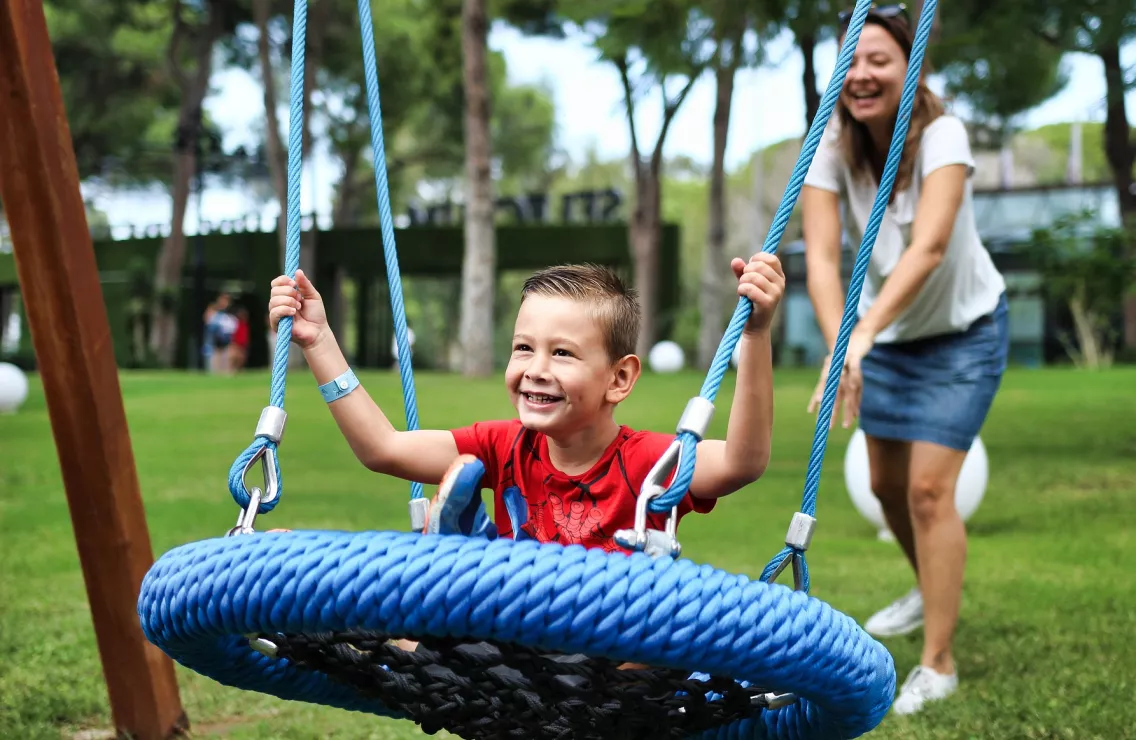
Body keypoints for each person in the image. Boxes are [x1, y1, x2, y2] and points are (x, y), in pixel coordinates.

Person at [266, 257, 785, 553]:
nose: (535, 368)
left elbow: (742, 462)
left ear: (619, 378)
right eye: (522, 348)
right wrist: (319, 342)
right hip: (517, 657)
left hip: (611, 665)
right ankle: (314, 584)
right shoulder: (500, 447)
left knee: (654, 625)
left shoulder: (650, 464)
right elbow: (382, 448)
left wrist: (756, 335)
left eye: (562, 353)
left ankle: (462, 551)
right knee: (413, 623)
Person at [800, 4, 1009, 716]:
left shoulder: (943, 134)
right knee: (888, 490)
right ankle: (930, 586)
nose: (861, 75)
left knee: (926, 492)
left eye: (879, 60)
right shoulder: (831, 143)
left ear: (910, 68)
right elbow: (823, 260)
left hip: (963, 333)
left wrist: (862, 335)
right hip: (883, 338)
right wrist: (842, 349)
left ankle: (939, 662)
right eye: (851, 61)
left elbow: (929, 248)